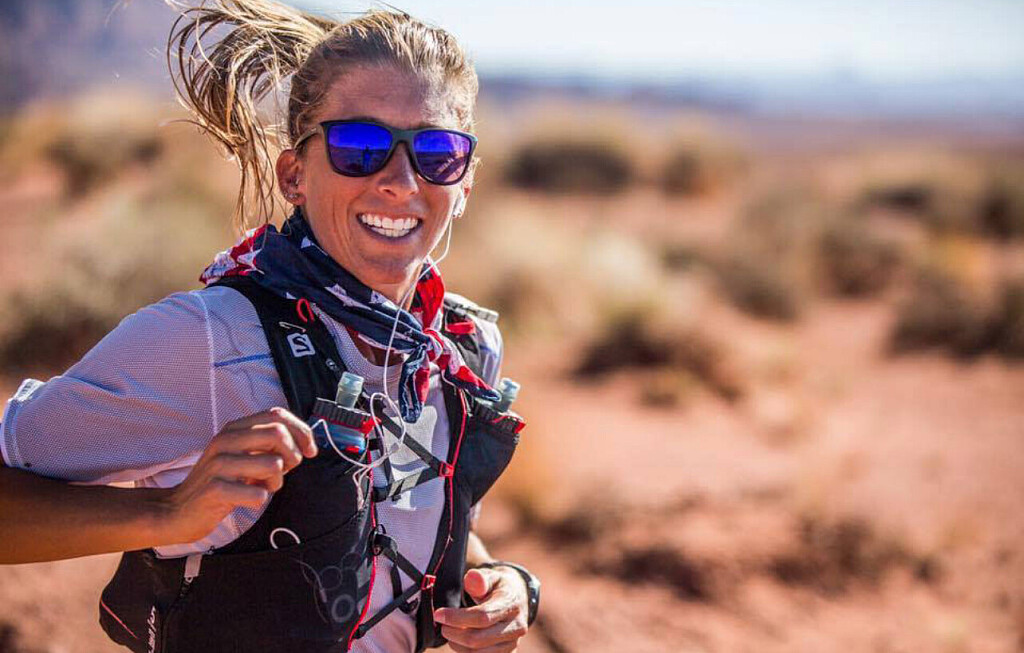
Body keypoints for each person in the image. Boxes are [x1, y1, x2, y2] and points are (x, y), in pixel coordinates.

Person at [0, 2, 539, 651]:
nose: (401, 181)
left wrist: (499, 580)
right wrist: (165, 513)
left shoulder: (459, 350)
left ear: (466, 182)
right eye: (359, 147)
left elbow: (421, 519)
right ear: (294, 175)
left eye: (436, 152)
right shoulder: (212, 339)